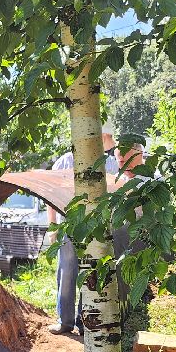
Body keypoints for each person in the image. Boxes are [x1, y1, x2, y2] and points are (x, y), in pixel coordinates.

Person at [48, 123, 125, 336]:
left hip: (99, 228)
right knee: (67, 270)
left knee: (91, 273)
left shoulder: (109, 164)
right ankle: (65, 321)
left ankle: (85, 323)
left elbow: (117, 195)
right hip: (68, 225)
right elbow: (50, 194)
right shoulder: (65, 161)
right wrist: (52, 226)